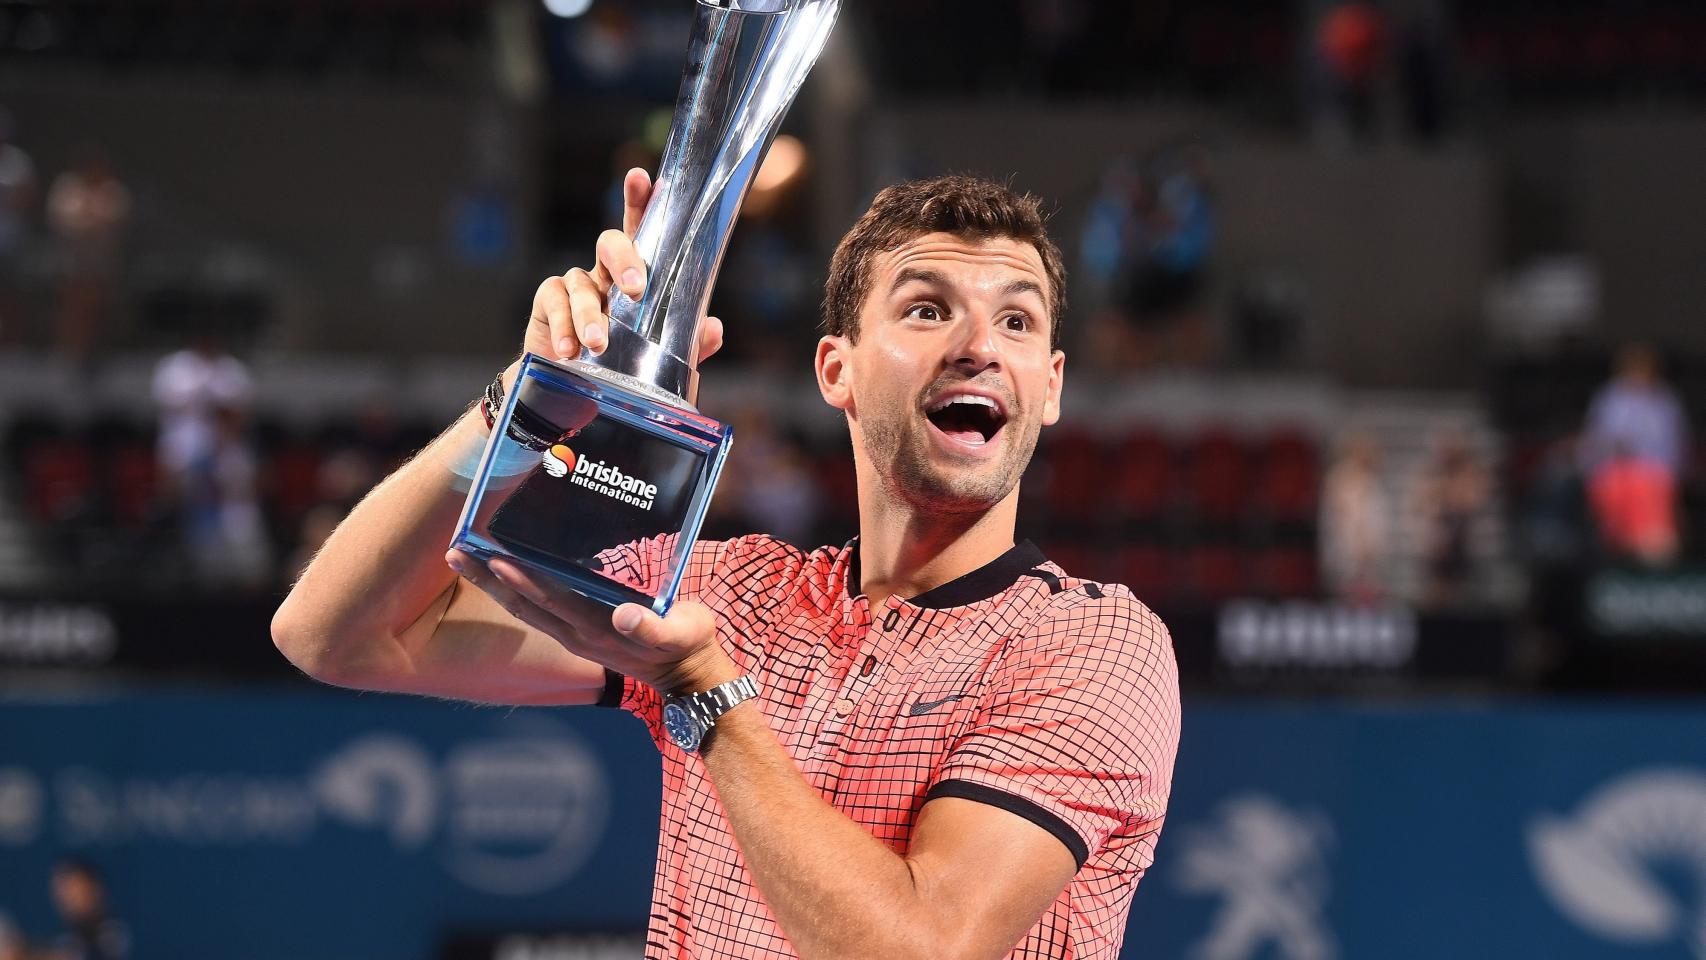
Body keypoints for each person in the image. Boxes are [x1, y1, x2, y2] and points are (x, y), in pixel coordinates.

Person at [274, 173, 1181, 959]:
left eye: (1016, 320)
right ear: (838, 370)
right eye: (927, 308)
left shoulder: (1094, 646)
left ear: (1051, 384)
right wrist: (525, 409)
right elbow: (341, 636)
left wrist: (701, 689)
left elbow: (919, 947)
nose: (979, 344)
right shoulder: (735, 593)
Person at [46, 859, 129, 960]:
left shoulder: (114, 931)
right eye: (60, 890)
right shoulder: (62, 934)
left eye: (74, 888)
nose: (66, 897)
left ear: (93, 888)